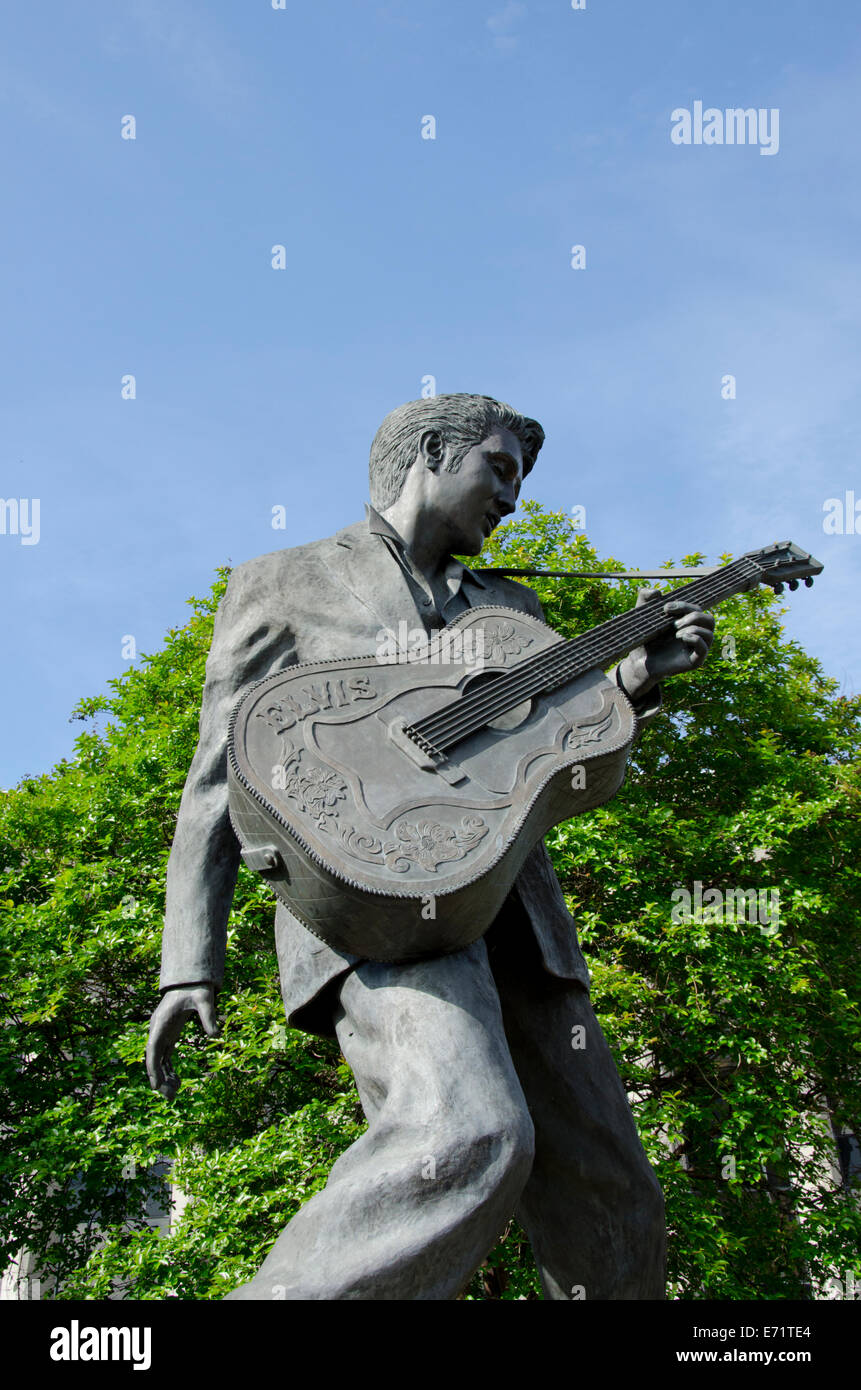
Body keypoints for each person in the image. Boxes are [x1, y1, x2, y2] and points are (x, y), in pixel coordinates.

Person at [146, 394, 715, 1300]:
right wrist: (190, 965)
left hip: (518, 912)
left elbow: (557, 744)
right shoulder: (283, 581)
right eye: (501, 469)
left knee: (613, 1197)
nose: (514, 498)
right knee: (462, 1134)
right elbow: (219, 776)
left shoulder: (515, 606)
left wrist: (632, 683)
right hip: (373, 899)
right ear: (431, 453)